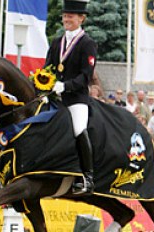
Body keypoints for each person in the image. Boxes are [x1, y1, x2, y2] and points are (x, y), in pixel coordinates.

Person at [44, 0, 96, 194]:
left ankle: (88, 177)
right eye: (65, 16)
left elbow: (86, 76)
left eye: (71, 16)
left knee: (78, 129)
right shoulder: (57, 42)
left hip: (76, 98)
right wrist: (43, 82)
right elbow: (48, 67)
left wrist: (65, 86)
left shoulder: (87, 44)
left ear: (81, 18)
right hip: (56, 96)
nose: (67, 19)